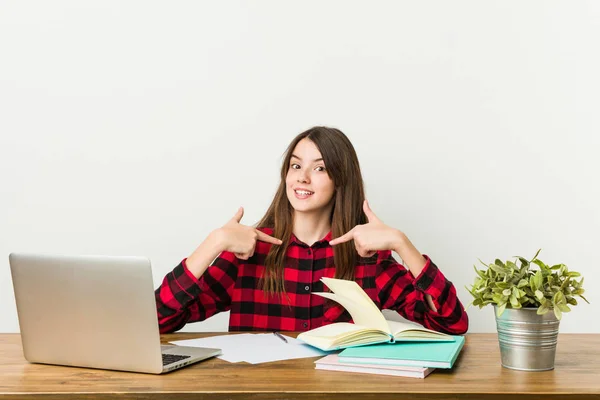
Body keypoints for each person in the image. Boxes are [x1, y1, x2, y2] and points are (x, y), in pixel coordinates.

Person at [155, 126, 468, 334]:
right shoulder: (248, 252)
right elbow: (156, 321)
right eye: (295, 166)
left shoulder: (368, 257)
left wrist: (403, 244)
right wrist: (212, 244)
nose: (302, 177)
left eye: (319, 168)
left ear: (340, 180)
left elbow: (451, 324)